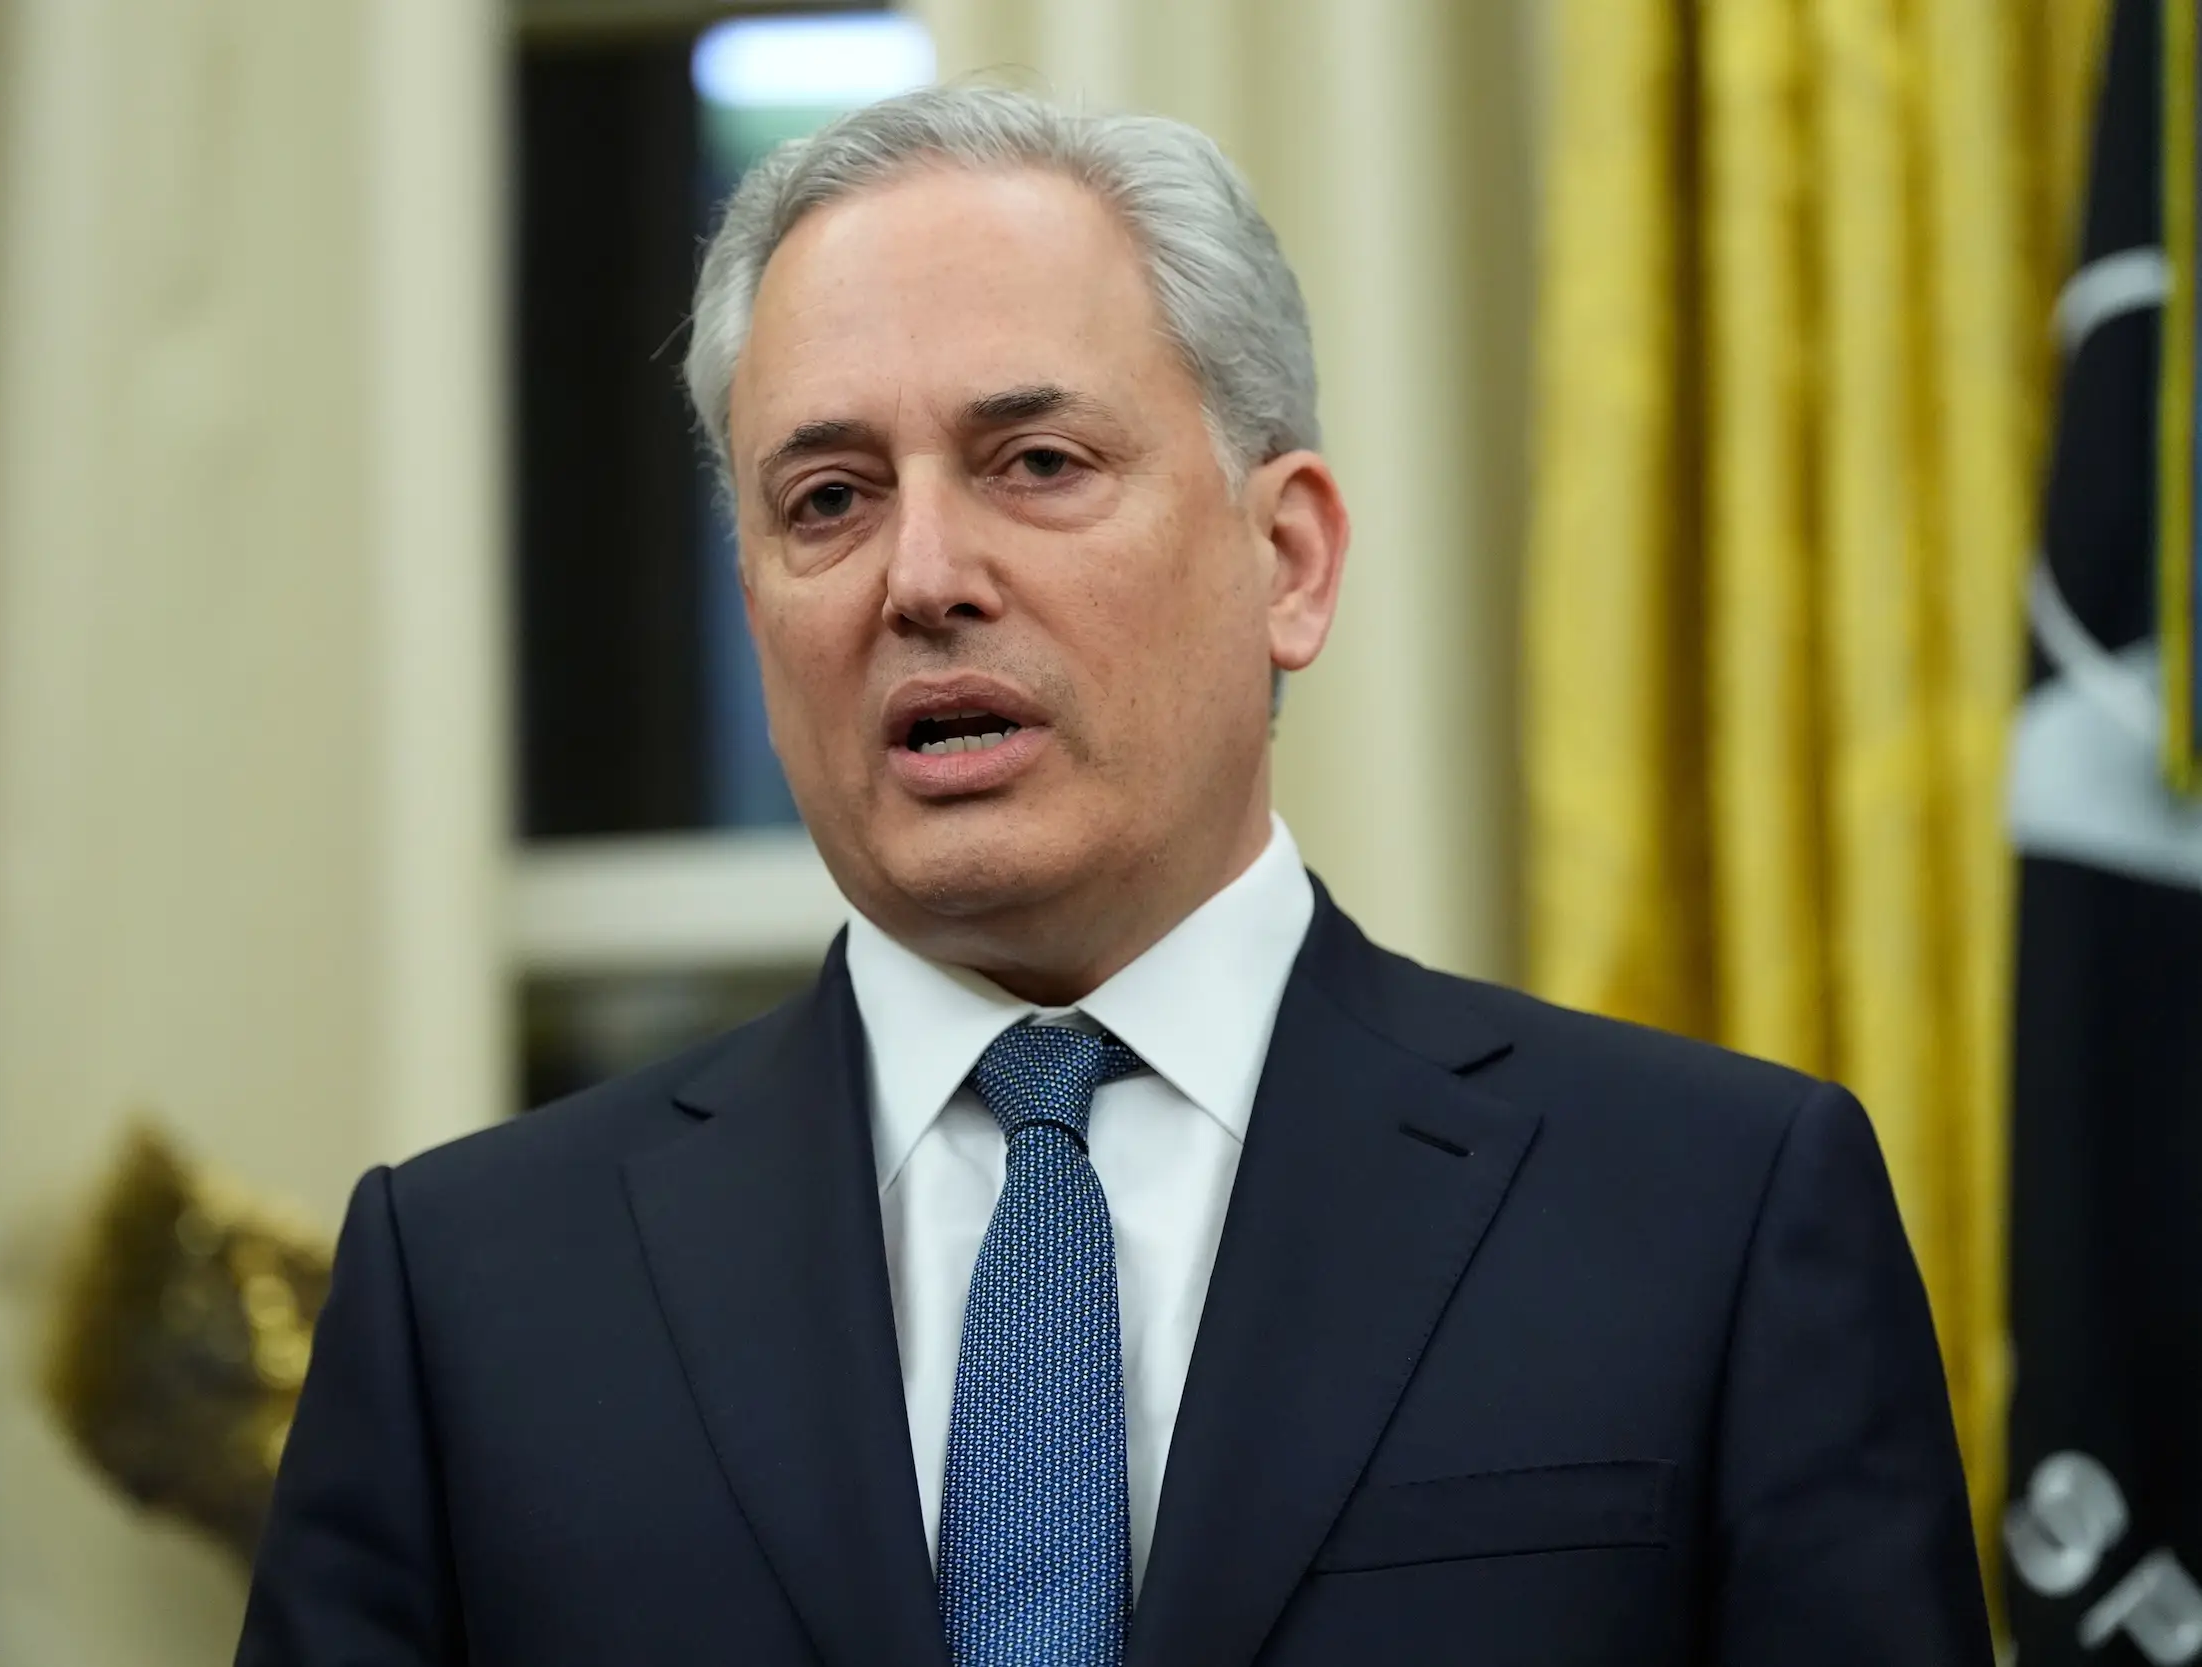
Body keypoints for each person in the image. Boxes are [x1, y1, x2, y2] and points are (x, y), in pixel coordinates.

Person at [236, 85, 1990, 1666]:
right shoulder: (472, 1295)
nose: (923, 574)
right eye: (829, 498)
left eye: (1037, 464)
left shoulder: (1711, 1216)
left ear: (1287, 559)